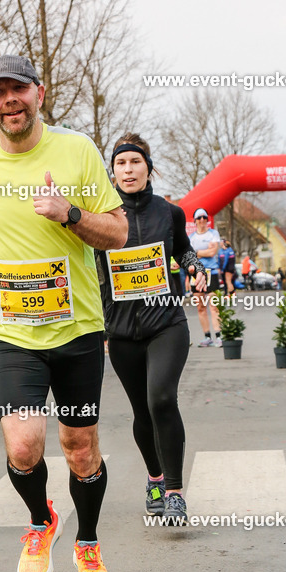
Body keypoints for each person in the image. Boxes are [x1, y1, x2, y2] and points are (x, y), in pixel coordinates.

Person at [0, 55, 128, 572]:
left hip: (76, 329)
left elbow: (118, 233)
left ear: (39, 93)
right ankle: (41, 521)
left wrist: (69, 214)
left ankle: (89, 543)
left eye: (18, 90)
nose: (9, 100)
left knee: (79, 447)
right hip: (12, 333)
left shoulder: (77, 150)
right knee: (23, 445)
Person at [99, 134, 207, 526]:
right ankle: (155, 479)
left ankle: (175, 491)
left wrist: (194, 267)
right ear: (112, 171)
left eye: (135, 162)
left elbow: (183, 249)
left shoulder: (170, 212)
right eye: (121, 164)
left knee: (161, 397)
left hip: (166, 323)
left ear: (148, 167)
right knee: (142, 411)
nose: (128, 170)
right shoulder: (102, 215)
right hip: (123, 331)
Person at [189, 208, 222, 346]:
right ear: (195, 221)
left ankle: (219, 336)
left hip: (211, 271)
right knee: (200, 307)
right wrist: (203, 252)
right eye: (199, 218)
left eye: (205, 217)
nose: (202, 220)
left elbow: (213, 251)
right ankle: (207, 336)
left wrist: (198, 253)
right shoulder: (191, 238)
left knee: (214, 305)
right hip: (196, 274)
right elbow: (190, 255)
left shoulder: (213, 234)